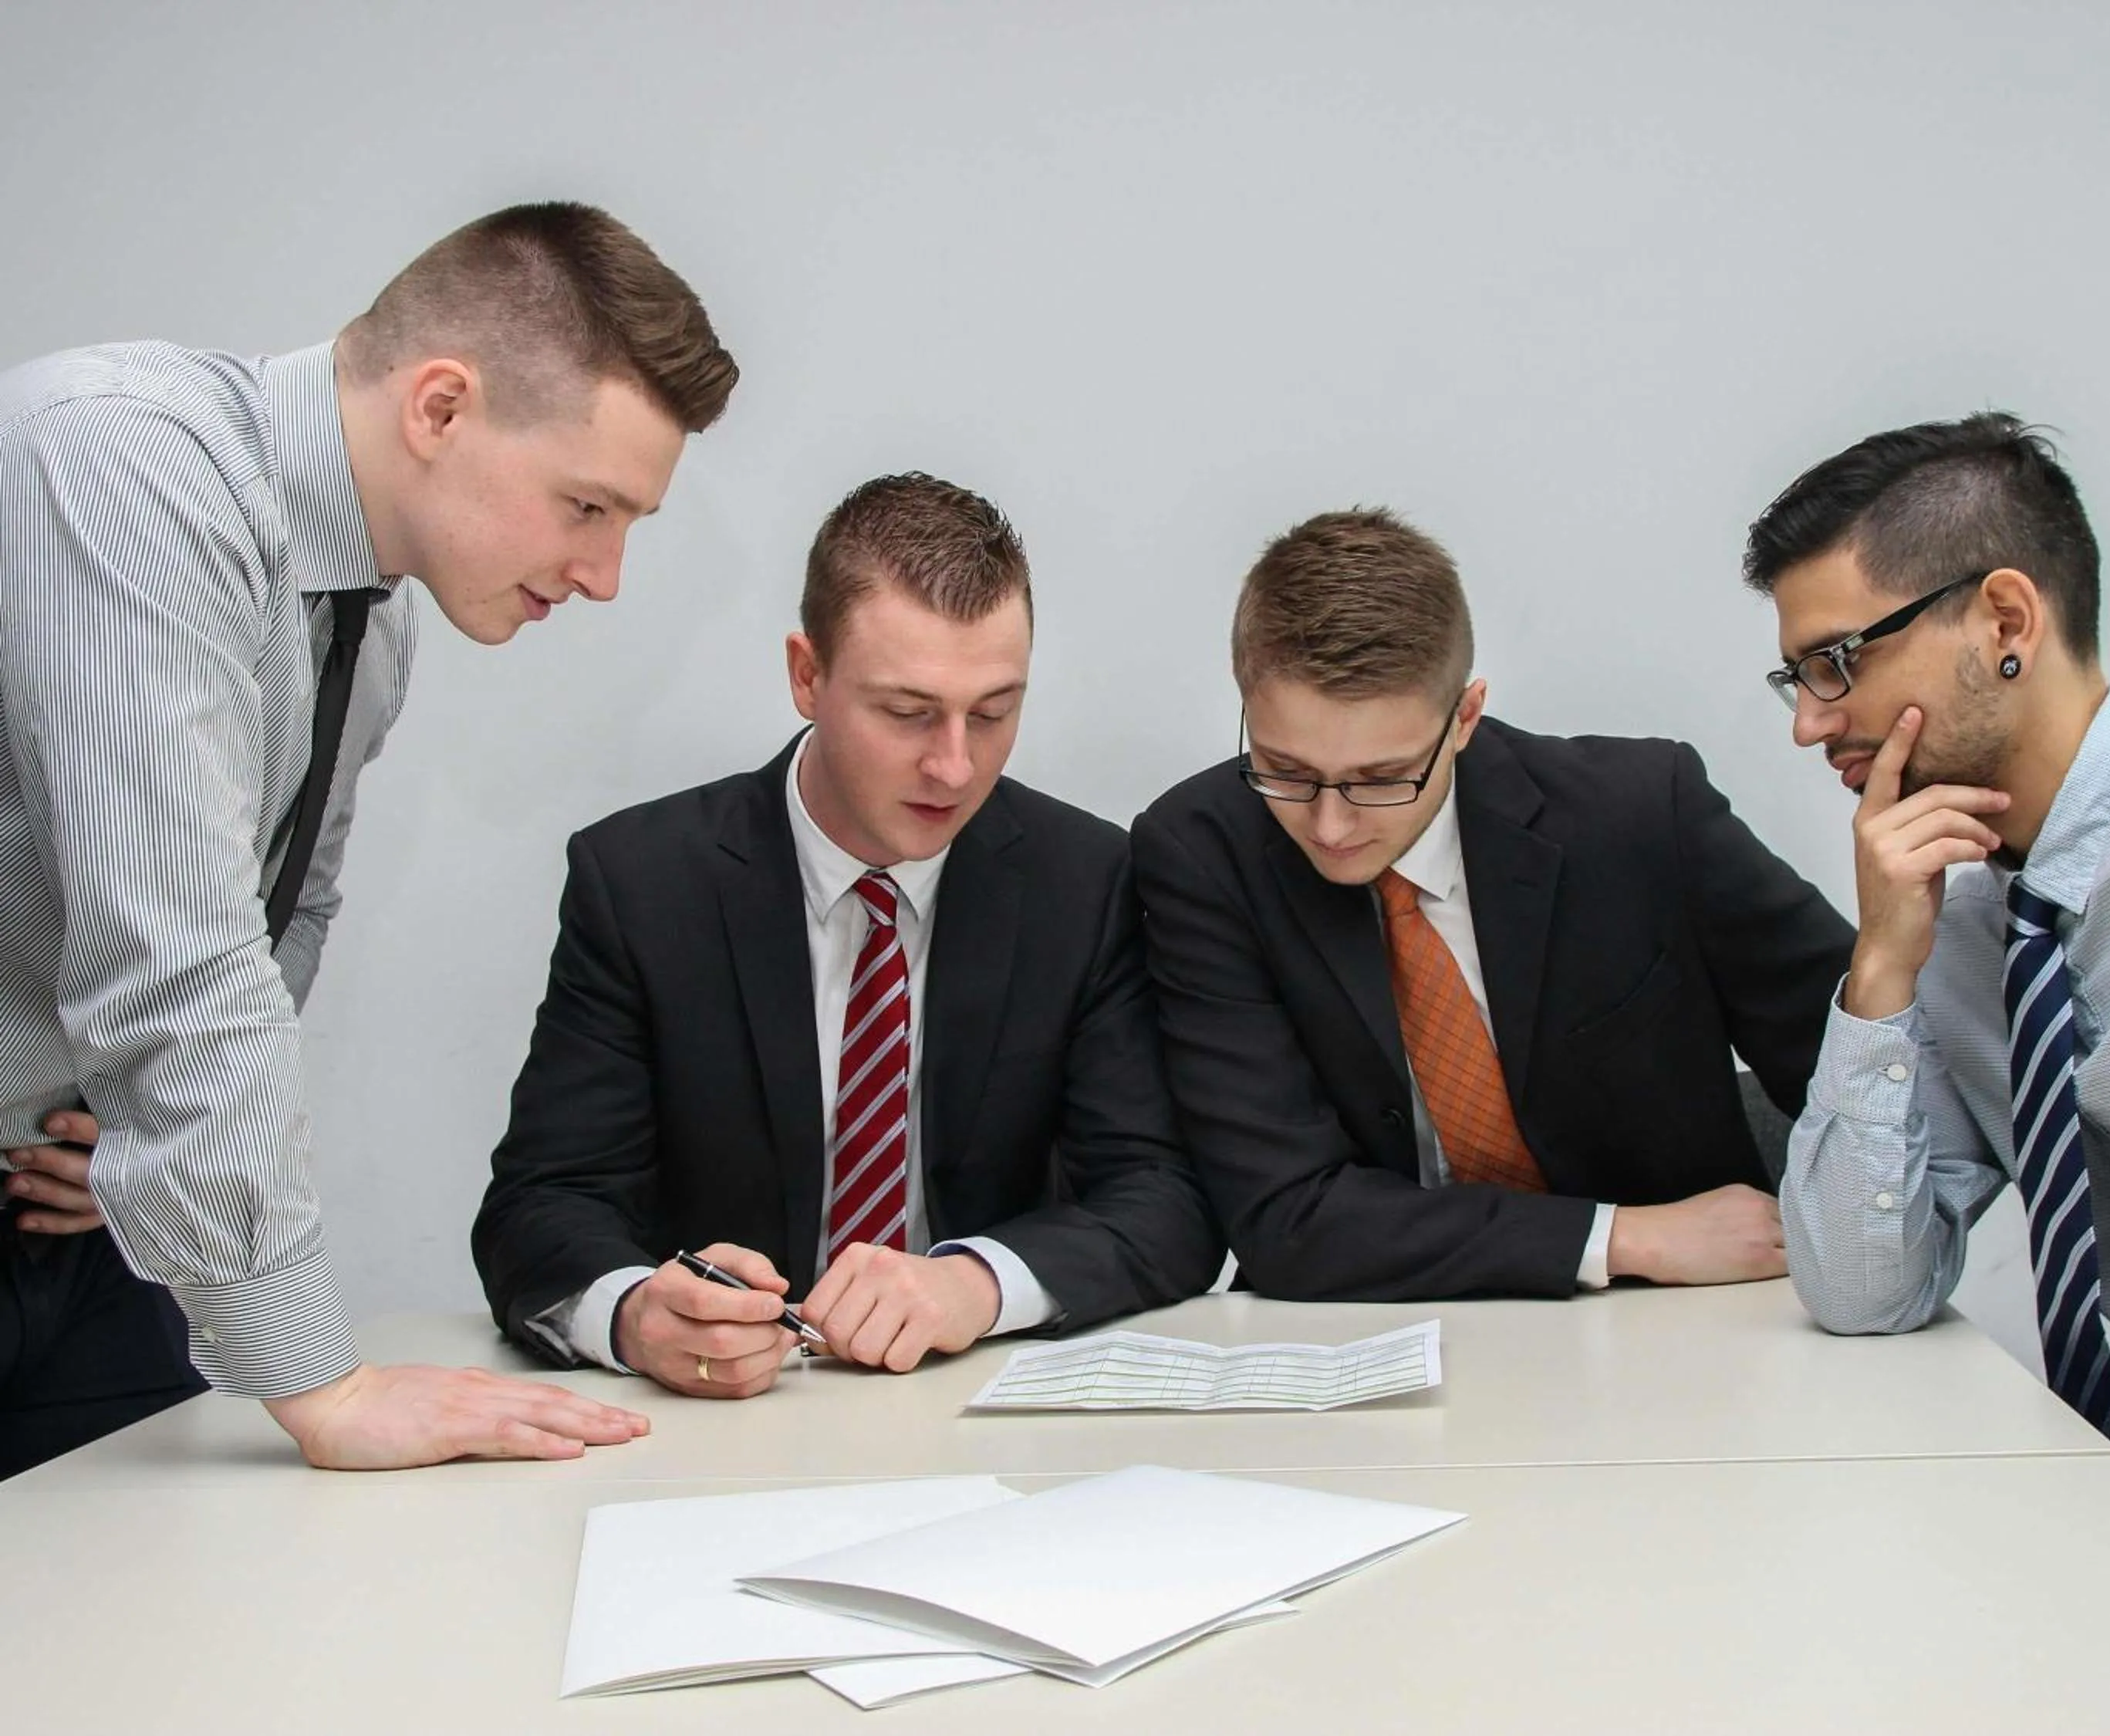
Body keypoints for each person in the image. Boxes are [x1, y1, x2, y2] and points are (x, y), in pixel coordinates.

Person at [0, 201, 738, 1476]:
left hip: (63, 1221)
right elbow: (176, 963)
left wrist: (133, 1140)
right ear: (440, 407)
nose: (604, 573)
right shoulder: (123, 467)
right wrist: (324, 1383)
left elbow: (284, 915)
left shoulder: (373, 618)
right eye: (587, 506)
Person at [471, 472, 1224, 1394]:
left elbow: (1165, 1200)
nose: (955, 766)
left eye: (993, 713)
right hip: (720, 1418)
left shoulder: (1084, 881)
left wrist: (975, 1284)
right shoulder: (643, 883)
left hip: (970, 1401)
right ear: (807, 676)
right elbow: (542, 1205)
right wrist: (636, 1316)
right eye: (907, 713)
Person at [1747, 410, 2110, 1619]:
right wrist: (1881, 967)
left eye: (1837, 661)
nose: (1808, 719)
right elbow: (1859, 1290)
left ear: (2006, 621)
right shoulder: (1960, 925)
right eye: (1798, 676)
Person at [1130, 508, 1853, 1303]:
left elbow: (1861, 1072)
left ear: (1465, 718)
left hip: (1687, 1320)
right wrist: (1621, 1237)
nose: (1331, 826)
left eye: (1383, 779)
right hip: (1370, 1326)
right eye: (1286, 770)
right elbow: (1287, 1219)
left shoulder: (1641, 814)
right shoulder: (1202, 853)